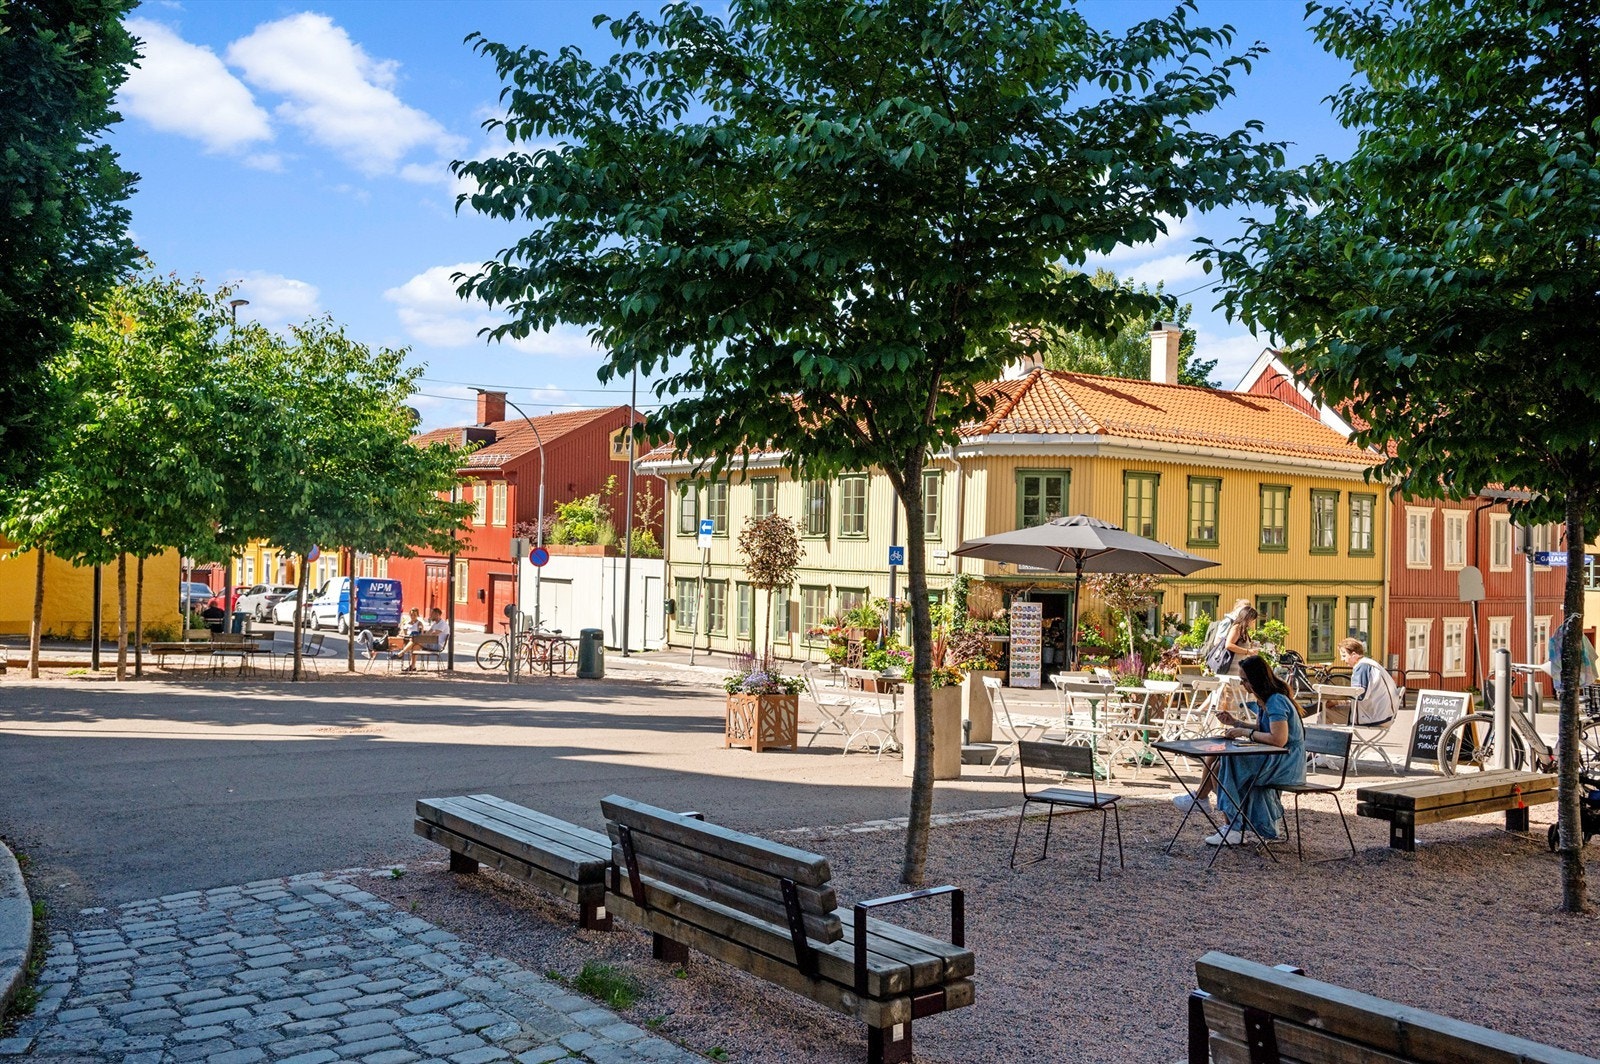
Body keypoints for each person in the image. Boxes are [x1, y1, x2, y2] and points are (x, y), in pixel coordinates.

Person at [1209, 653, 1306, 845]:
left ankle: (1233, 826)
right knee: (1219, 762)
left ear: (1255, 679)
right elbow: (1267, 730)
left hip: (1286, 763)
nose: (1242, 684)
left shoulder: (1275, 701)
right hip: (1276, 758)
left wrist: (1245, 733)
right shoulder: (1267, 699)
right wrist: (1237, 723)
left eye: (1244, 680)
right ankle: (1229, 822)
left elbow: (1278, 739)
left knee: (1226, 764)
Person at [400, 608, 450, 672]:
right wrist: (419, 636)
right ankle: (413, 666)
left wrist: (420, 637)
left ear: (437, 614)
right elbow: (428, 633)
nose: (430, 616)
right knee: (415, 646)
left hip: (437, 645)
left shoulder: (442, 624)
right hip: (432, 643)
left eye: (432, 614)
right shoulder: (435, 624)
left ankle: (401, 653)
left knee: (414, 640)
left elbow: (435, 634)